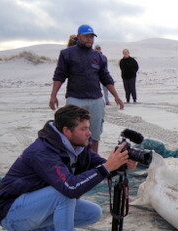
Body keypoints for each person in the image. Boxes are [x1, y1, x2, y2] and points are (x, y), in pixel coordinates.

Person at [0, 105, 135, 231]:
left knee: (92, 213)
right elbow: (71, 187)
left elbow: (100, 167)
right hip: (11, 213)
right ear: (66, 131)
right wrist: (107, 167)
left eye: (88, 127)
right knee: (64, 193)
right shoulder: (42, 151)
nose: (89, 133)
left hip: (33, 209)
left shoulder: (77, 147)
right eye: (83, 128)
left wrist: (121, 164)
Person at [50, 24, 124, 153]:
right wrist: (53, 95)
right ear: (78, 36)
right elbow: (59, 75)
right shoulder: (67, 54)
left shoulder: (99, 57)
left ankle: (92, 160)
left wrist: (116, 96)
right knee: (73, 134)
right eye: (86, 36)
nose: (89, 39)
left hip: (96, 100)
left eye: (91, 36)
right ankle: (74, 161)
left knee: (94, 134)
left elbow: (106, 78)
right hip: (75, 100)